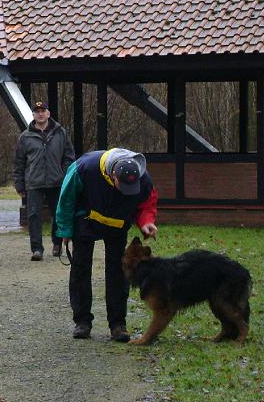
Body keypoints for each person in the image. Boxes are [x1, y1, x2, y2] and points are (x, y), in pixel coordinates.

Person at [55, 148, 158, 341]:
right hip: (86, 219)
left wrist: (146, 222)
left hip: (118, 225)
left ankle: (118, 324)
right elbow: (66, 198)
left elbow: (145, 204)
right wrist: (65, 230)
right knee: (80, 268)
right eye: (122, 187)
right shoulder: (85, 168)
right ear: (112, 175)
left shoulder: (143, 180)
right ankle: (82, 322)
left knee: (118, 272)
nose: (126, 192)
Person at [13, 101, 75, 261]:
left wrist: (65, 174)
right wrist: (19, 183)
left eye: (43, 110)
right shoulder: (25, 137)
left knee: (58, 214)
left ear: (48, 113)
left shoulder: (60, 132)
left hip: (57, 182)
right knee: (33, 215)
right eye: (37, 111)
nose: (40, 113)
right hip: (34, 182)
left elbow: (69, 155)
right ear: (33, 114)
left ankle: (57, 243)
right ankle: (36, 249)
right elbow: (19, 162)